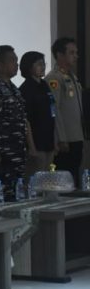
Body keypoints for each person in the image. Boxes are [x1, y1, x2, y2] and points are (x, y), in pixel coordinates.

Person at [0, 46, 28, 193]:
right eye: (12, 61)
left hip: (18, 149)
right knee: (2, 192)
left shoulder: (14, 88)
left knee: (17, 191)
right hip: (4, 152)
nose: (16, 64)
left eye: (16, 61)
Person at [46, 37, 85, 185]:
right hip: (66, 139)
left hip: (77, 135)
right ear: (60, 55)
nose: (76, 56)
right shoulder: (54, 78)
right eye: (72, 52)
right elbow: (54, 109)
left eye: (76, 52)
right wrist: (61, 138)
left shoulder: (72, 77)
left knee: (75, 176)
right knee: (64, 179)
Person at [19, 51, 56, 177]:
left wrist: (55, 140)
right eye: (39, 64)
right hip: (36, 142)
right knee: (35, 179)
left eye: (44, 64)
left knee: (47, 178)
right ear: (29, 67)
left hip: (49, 140)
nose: (43, 67)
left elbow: (52, 111)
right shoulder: (26, 88)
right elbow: (26, 120)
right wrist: (31, 147)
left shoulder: (44, 84)